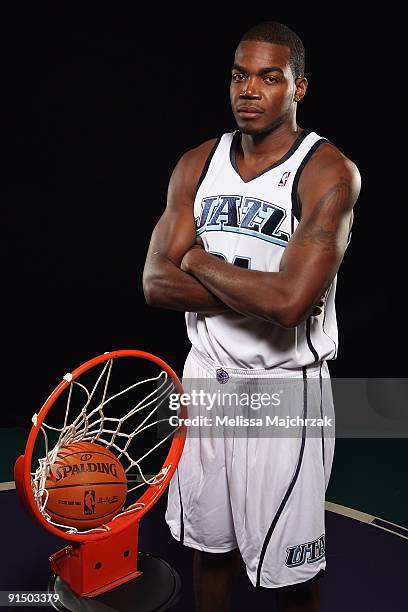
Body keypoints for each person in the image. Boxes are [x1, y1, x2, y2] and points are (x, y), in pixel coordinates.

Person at [143, 21, 361, 612]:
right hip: (206, 378)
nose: (250, 90)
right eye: (240, 75)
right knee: (207, 548)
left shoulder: (327, 172)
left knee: (289, 576)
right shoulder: (197, 163)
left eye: (270, 77)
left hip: (283, 391)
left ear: (299, 87)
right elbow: (156, 283)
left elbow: (291, 308)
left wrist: (195, 258)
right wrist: (258, 292)